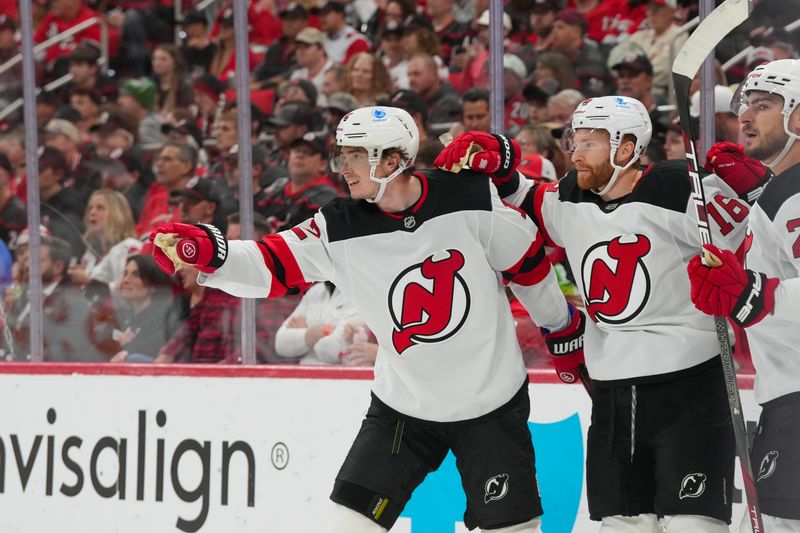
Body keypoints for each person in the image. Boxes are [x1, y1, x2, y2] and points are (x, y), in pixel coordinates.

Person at [150, 106, 583, 532]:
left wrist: (560, 327)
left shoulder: (468, 196)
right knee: (348, 523)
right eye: (342, 155)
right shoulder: (339, 225)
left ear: (393, 161)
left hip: (490, 402)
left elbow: (528, 265)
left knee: (512, 529)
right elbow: (271, 262)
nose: (343, 168)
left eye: (355, 156)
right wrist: (214, 253)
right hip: (404, 408)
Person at [436, 95, 769, 532]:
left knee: (695, 525)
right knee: (621, 526)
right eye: (575, 140)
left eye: (588, 142)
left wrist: (756, 190)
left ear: (626, 148)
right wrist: (499, 161)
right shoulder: (572, 195)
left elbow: (757, 240)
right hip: (613, 395)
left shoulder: (680, 188)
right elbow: (525, 197)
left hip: (690, 389)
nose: (574, 152)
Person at [686, 59, 800, 533]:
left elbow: (762, 292)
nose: (745, 117)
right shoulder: (779, 191)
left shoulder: (793, 193)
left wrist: (754, 294)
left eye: (764, 105)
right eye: (744, 105)